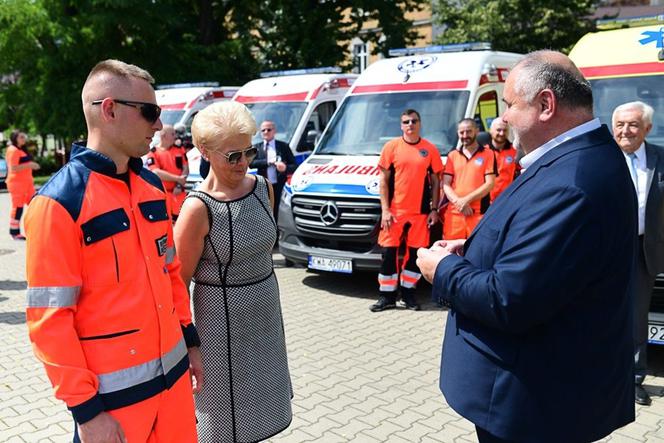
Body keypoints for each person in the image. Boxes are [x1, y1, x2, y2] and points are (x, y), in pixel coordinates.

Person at [416, 51, 636, 442]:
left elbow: (509, 299)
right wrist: (471, 248)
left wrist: (443, 270)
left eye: (509, 106)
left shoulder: (573, 181)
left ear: (545, 105)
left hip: (534, 406)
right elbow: (542, 247)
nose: (502, 120)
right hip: (535, 397)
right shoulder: (571, 160)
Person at [24, 59, 201, 442]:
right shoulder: (58, 203)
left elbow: (171, 273)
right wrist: (87, 414)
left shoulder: (152, 187)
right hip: (114, 408)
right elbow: (50, 321)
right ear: (109, 109)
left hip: (174, 391)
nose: (158, 125)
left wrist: (191, 344)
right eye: (150, 112)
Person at [174, 101, 292, 442]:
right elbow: (178, 282)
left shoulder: (261, 189)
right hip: (221, 328)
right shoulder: (197, 208)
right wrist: (188, 342)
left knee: (264, 416)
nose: (243, 163)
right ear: (205, 152)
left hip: (266, 317)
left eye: (249, 152)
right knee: (225, 424)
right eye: (233, 156)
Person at [612, 100, 664, 406]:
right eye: (620, 124)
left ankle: (633, 379)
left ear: (647, 128)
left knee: (636, 317)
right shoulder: (601, 158)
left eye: (633, 124)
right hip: (604, 250)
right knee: (597, 311)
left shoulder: (660, 157)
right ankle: (598, 374)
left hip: (643, 248)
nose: (625, 131)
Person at [370, 109, 442, 312]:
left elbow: (436, 181)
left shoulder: (429, 150)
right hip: (394, 212)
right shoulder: (391, 147)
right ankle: (387, 297)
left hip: (420, 214)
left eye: (414, 121)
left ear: (420, 124)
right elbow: (383, 180)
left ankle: (408, 294)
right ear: (401, 125)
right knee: (388, 254)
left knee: (414, 255)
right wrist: (385, 209)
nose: (410, 124)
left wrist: (434, 209)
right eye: (406, 122)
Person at [442, 118, 496, 240]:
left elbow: (490, 184)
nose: (465, 135)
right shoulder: (452, 155)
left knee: (476, 252)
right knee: (451, 252)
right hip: (455, 214)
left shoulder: (488, 154)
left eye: (469, 131)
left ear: (477, 131)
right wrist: (459, 203)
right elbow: (446, 184)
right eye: (462, 132)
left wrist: (465, 200)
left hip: (478, 213)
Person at [250, 120, 297, 222]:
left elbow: (294, 166)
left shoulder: (283, 146)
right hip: (263, 185)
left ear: (274, 131)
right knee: (264, 210)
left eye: (269, 129)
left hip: (279, 185)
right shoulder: (257, 147)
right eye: (263, 130)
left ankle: (278, 232)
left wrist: (285, 168)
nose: (266, 132)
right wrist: (267, 162)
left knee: (278, 211)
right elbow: (251, 163)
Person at [146, 124, 189, 221]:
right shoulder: (153, 152)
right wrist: (178, 179)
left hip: (179, 194)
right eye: (172, 134)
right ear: (164, 135)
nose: (175, 137)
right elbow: (156, 172)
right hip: (162, 196)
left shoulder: (179, 149)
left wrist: (178, 185)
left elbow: (185, 168)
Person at [5, 130, 39, 240]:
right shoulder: (13, 150)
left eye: (23, 136)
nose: (23, 139)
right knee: (18, 208)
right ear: (15, 138)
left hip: (27, 183)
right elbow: (13, 168)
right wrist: (30, 165)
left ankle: (37, 228)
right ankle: (14, 232)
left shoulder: (20, 149)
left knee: (35, 204)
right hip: (16, 184)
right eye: (21, 137)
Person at [486, 117, 520, 202]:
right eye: (498, 130)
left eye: (505, 130)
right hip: (487, 202)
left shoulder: (515, 151)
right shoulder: (483, 152)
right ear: (491, 131)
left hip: (508, 199)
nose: (501, 133)